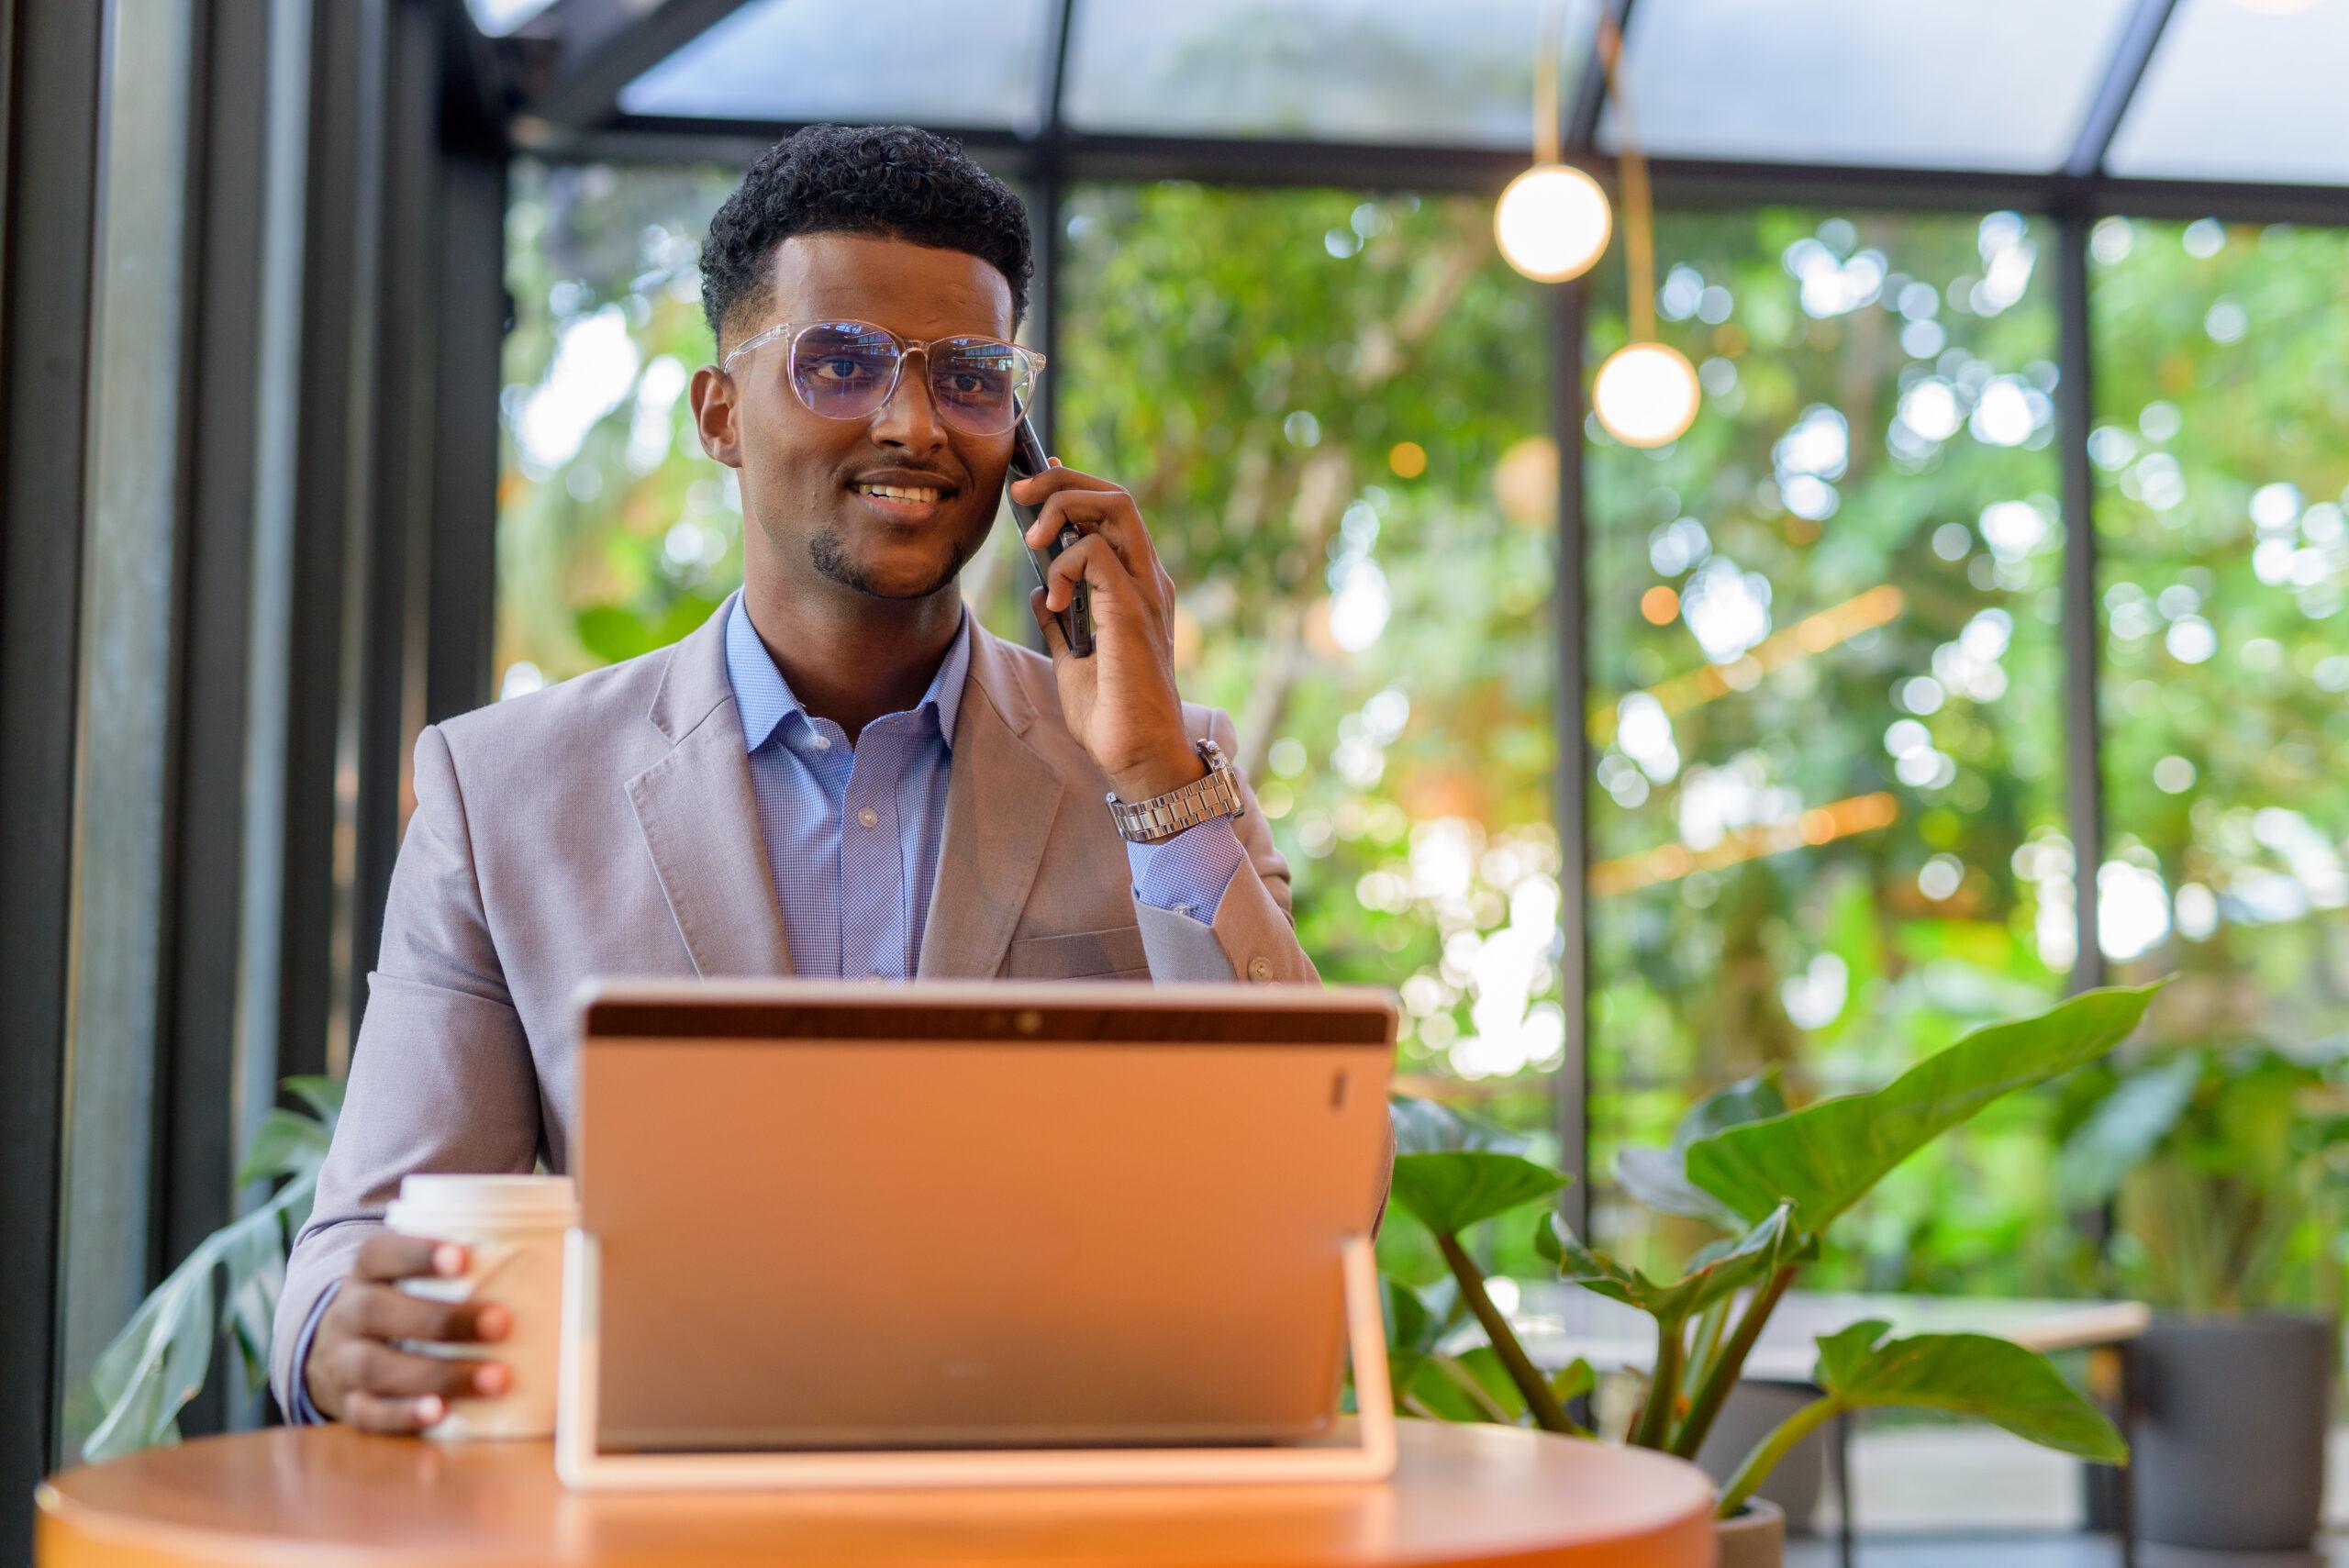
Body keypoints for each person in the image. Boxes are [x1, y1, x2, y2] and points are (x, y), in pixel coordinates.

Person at [273, 124, 1319, 1431]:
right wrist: (340, 1335)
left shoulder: (1163, 766)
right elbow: (357, 1243)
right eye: (840, 363)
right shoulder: (501, 795)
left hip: (1060, 1501)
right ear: (720, 413)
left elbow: (1324, 1201)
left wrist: (1157, 775)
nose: (914, 424)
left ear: (1026, 434)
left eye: (974, 378)